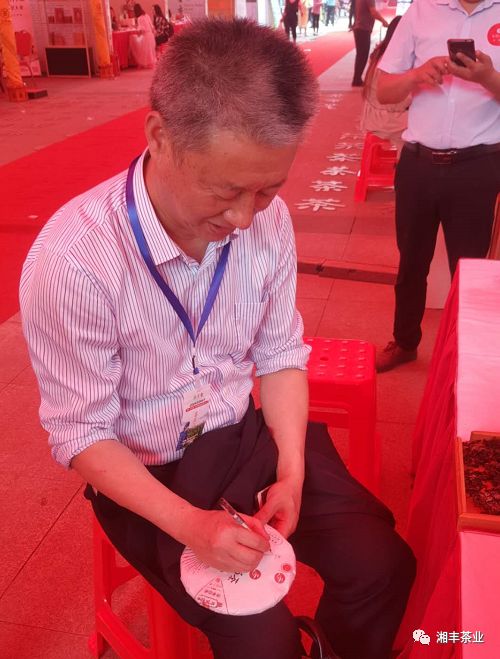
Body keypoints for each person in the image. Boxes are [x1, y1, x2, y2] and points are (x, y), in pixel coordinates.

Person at [20, 18, 415, 659]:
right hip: (148, 472)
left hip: (244, 437)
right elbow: (81, 433)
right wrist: (191, 526)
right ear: (160, 136)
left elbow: (280, 355)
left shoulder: (268, 221)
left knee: (383, 564)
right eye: (225, 190)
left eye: (267, 190)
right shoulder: (75, 262)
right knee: (265, 640)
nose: (243, 217)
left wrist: (291, 473)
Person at [375, 0, 500, 372]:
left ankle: (467, 358)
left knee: (472, 272)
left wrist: (488, 78)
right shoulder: (421, 11)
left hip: (479, 166)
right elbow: (383, 91)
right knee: (411, 262)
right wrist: (416, 75)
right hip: (419, 164)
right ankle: (405, 341)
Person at [359, 16, 410, 152]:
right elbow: (398, 101)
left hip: (372, 117)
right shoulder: (395, 61)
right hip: (388, 121)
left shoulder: (379, 52)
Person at [351, 0, 388, 86]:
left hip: (359, 27)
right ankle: (356, 80)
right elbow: (373, 11)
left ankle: (357, 78)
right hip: (363, 28)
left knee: (361, 55)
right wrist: (383, 21)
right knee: (362, 55)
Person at [129, 3, 157, 68]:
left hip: (146, 36)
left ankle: (138, 61)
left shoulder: (139, 18)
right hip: (151, 36)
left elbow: (142, 30)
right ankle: (149, 62)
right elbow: (152, 26)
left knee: (132, 39)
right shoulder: (146, 15)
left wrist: (135, 28)